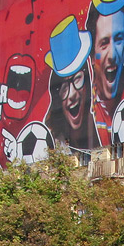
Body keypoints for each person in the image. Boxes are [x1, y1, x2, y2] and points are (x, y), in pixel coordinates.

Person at [45, 15, 101, 150]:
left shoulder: (103, 129)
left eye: (77, 79)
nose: (71, 94)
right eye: (64, 88)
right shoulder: (53, 144)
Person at [85, 0, 124, 145]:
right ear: (92, 55)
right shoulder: (85, 107)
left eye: (119, 39)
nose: (112, 55)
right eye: (104, 43)